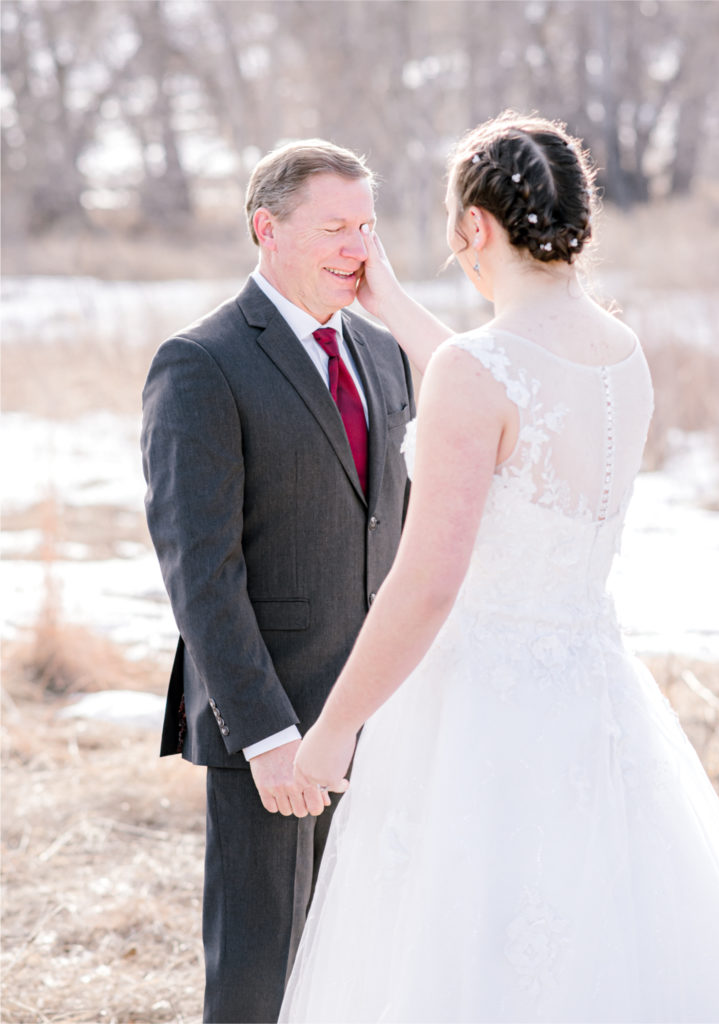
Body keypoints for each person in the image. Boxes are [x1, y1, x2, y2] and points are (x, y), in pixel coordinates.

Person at [279, 113, 719, 1023]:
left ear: (474, 227)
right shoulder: (619, 352)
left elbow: (428, 582)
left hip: (479, 706)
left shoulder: (477, 371)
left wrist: (334, 729)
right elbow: (509, 390)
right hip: (592, 689)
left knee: (464, 955)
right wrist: (398, 310)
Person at [140, 139, 415, 1023]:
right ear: (267, 229)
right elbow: (200, 569)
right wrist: (265, 735)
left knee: (366, 958)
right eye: (335, 226)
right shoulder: (202, 360)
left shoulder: (386, 355)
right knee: (261, 975)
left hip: (388, 711)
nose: (358, 248)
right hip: (277, 723)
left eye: (367, 226)